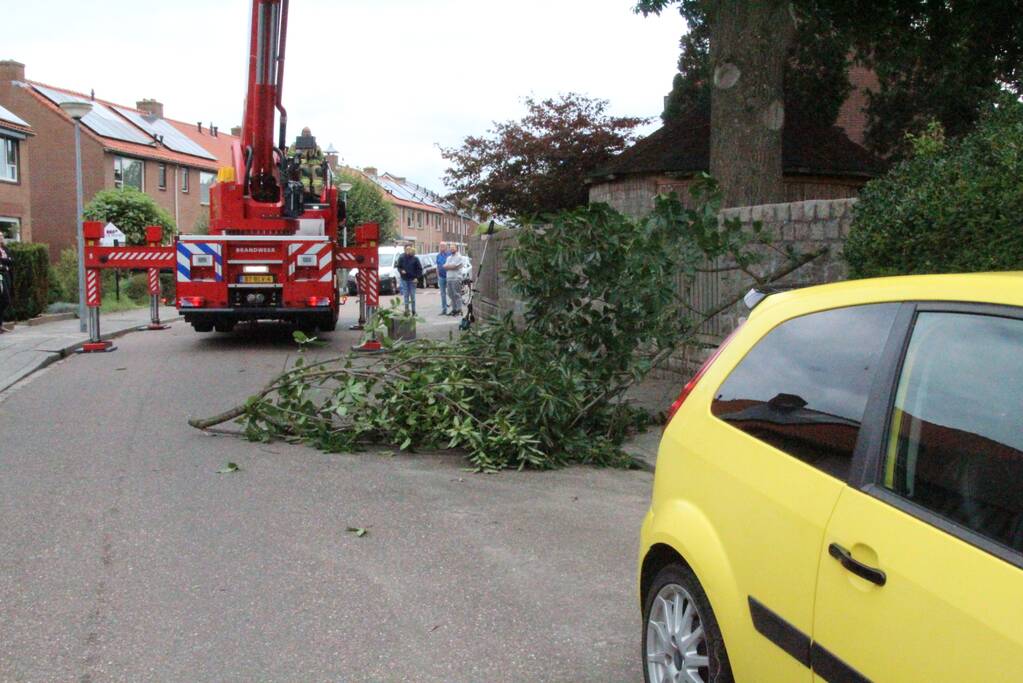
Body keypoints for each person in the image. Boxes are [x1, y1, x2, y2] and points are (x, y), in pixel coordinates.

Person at [287, 126, 326, 202]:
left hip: (315, 165)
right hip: (302, 164)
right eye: (305, 132)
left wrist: (318, 159)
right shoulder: (295, 145)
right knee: (305, 170)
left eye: (308, 132)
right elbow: (289, 155)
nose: (307, 134)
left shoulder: (316, 146)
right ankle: (305, 192)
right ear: (302, 133)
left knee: (318, 170)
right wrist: (298, 153)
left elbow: (321, 158)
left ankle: (317, 194)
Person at [395, 245, 422, 315]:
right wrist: (401, 271)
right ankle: (406, 311)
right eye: (407, 249)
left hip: (412, 280)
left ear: (411, 249)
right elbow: (398, 267)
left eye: (409, 249)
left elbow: (419, 269)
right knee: (406, 295)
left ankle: (413, 311)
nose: (408, 250)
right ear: (405, 250)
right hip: (404, 279)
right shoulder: (401, 258)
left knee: (412, 296)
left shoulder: (415, 259)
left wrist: (417, 277)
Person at [443, 245, 466, 317]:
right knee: (450, 294)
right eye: (451, 248)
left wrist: (449, 267)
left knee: (456, 294)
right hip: (449, 278)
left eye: (453, 248)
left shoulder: (459, 257)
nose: (452, 249)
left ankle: (459, 309)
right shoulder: (449, 258)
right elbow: (444, 266)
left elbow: (455, 267)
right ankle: (454, 309)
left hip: (456, 278)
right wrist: (451, 266)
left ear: (456, 248)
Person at [0, 234, 12, 333]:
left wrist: (4, 262)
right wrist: (5, 264)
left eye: (2, 236)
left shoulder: (5, 249)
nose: (1, 237)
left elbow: (11, 261)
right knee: (5, 299)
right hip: (0, 275)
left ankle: (0, 324)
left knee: (4, 300)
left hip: (6, 275)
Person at [435, 242, 450, 315]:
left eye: (443, 246)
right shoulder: (438, 256)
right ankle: (444, 309)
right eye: (440, 246)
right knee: (442, 294)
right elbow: (437, 266)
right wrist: (438, 276)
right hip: (441, 277)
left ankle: (454, 309)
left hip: (449, 276)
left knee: (451, 293)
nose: (441, 247)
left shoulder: (449, 254)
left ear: (446, 247)